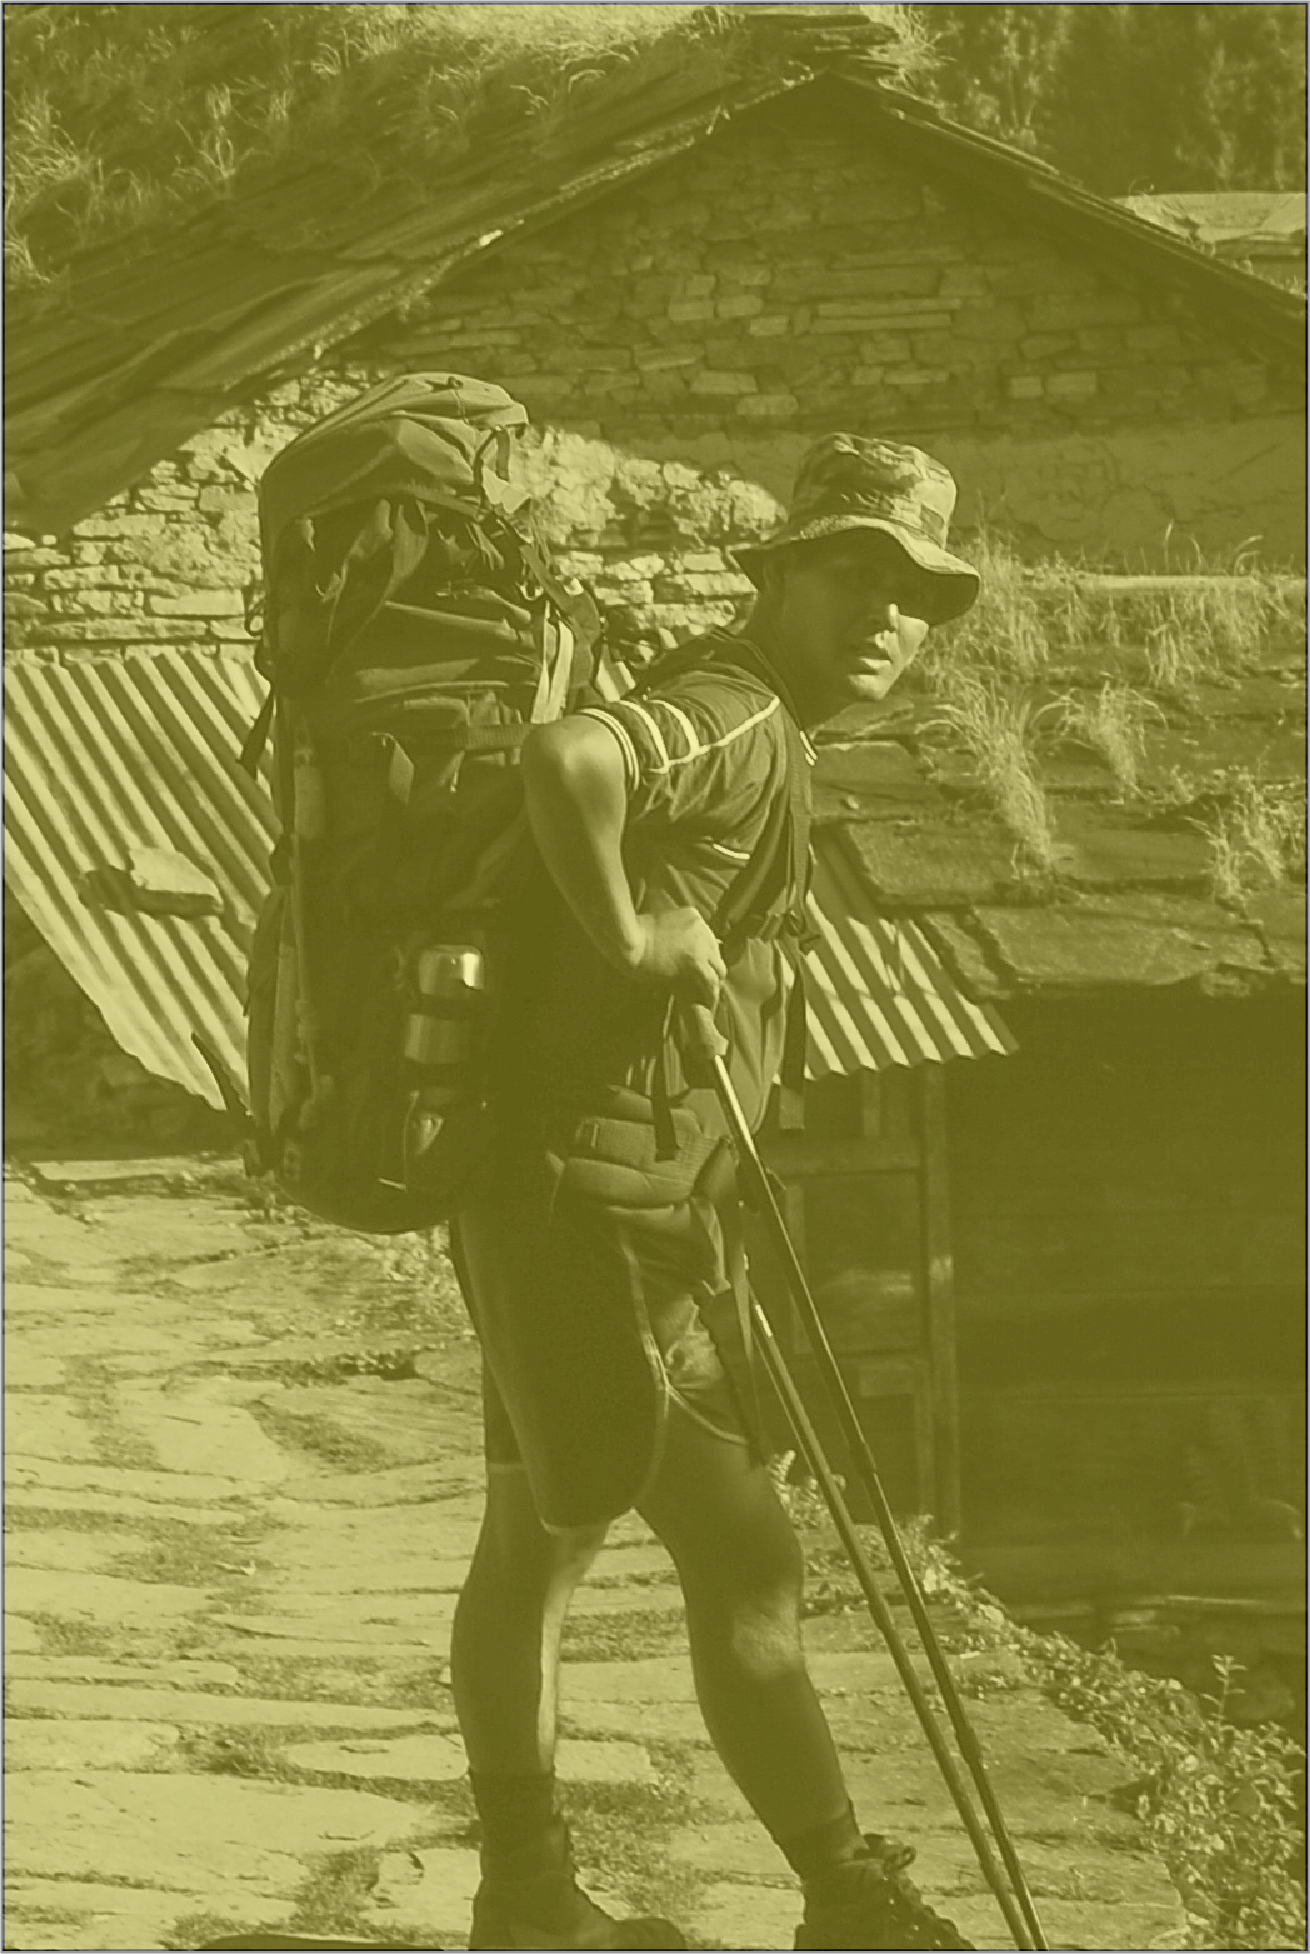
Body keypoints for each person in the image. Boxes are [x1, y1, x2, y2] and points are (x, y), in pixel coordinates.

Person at [447, 434, 982, 1952]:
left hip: (556, 1194)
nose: (887, 613)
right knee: (747, 1559)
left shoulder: (756, 723)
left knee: (527, 1550)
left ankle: (530, 1892)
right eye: (854, 573)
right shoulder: (732, 716)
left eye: (918, 592)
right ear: (780, 574)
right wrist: (631, 941)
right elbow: (568, 762)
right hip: (605, 1214)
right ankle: (841, 1896)